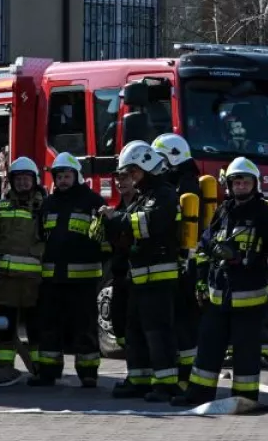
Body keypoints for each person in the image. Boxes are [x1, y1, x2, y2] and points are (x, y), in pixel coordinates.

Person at [179, 157, 268, 408]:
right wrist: (200, 281)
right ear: (228, 185)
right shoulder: (222, 211)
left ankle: (244, 398)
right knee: (208, 349)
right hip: (217, 297)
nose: (241, 185)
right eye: (236, 181)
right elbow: (204, 248)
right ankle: (198, 395)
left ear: (255, 184)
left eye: (245, 181)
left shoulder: (264, 214)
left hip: (250, 299)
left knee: (246, 354)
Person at [98, 141, 179, 400]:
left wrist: (115, 220)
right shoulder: (146, 195)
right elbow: (127, 223)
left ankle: (165, 384)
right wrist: (109, 222)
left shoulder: (163, 194)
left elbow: (146, 224)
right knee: (134, 330)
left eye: (133, 172)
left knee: (157, 332)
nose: (130, 177)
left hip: (158, 275)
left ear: (145, 167)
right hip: (140, 275)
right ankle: (139, 379)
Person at [32, 152, 108, 387]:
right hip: (53, 279)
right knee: (49, 327)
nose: (63, 180)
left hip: (83, 280)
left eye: (67, 176)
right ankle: (48, 372)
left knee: (85, 327)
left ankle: (88, 373)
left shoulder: (93, 202)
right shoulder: (48, 204)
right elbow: (39, 237)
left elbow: (104, 241)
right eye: (59, 176)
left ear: (77, 176)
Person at [0, 156, 45, 384]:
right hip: (7, 280)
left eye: (27, 179)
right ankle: (3, 368)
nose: (23, 183)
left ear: (35, 181)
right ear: (12, 181)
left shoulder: (45, 207)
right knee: (4, 325)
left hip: (36, 280)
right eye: (19, 179)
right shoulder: (2, 207)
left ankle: (39, 369)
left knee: (37, 326)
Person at [150, 131, 202, 396]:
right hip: (185, 262)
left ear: (172, 158)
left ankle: (184, 378)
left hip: (183, 263)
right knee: (183, 321)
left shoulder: (182, 187)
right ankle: (184, 377)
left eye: (159, 160)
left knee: (182, 322)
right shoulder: (186, 182)